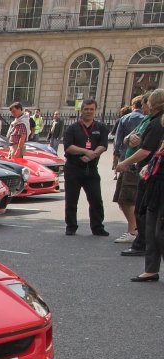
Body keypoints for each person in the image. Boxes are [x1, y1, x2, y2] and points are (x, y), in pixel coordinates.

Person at [115, 88, 164, 257]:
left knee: (145, 210)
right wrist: (130, 139)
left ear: (152, 103)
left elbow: (146, 150)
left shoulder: (157, 123)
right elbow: (129, 137)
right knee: (142, 209)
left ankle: (142, 244)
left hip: (151, 172)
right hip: (146, 170)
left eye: (147, 102)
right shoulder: (148, 120)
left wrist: (124, 163)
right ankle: (142, 244)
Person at [61, 98, 109, 236]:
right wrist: (85, 151)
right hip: (73, 168)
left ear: (95, 110)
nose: (88, 112)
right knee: (71, 200)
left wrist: (92, 155)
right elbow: (68, 147)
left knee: (96, 200)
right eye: (86, 109)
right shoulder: (72, 128)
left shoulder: (101, 128)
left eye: (91, 109)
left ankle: (97, 227)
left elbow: (103, 145)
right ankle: (71, 226)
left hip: (91, 169)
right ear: (81, 110)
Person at [132, 128, 164, 281]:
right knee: (150, 230)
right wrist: (148, 168)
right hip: (156, 187)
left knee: (160, 233)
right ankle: (151, 270)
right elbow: (157, 158)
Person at [113, 98, 145, 243]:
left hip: (130, 164)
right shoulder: (146, 120)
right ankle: (135, 230)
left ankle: (133, 231)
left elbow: (118, 140)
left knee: (126, 199)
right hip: (135, 164)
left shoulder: (127, 118)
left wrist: (119, 159)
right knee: (127, 199)